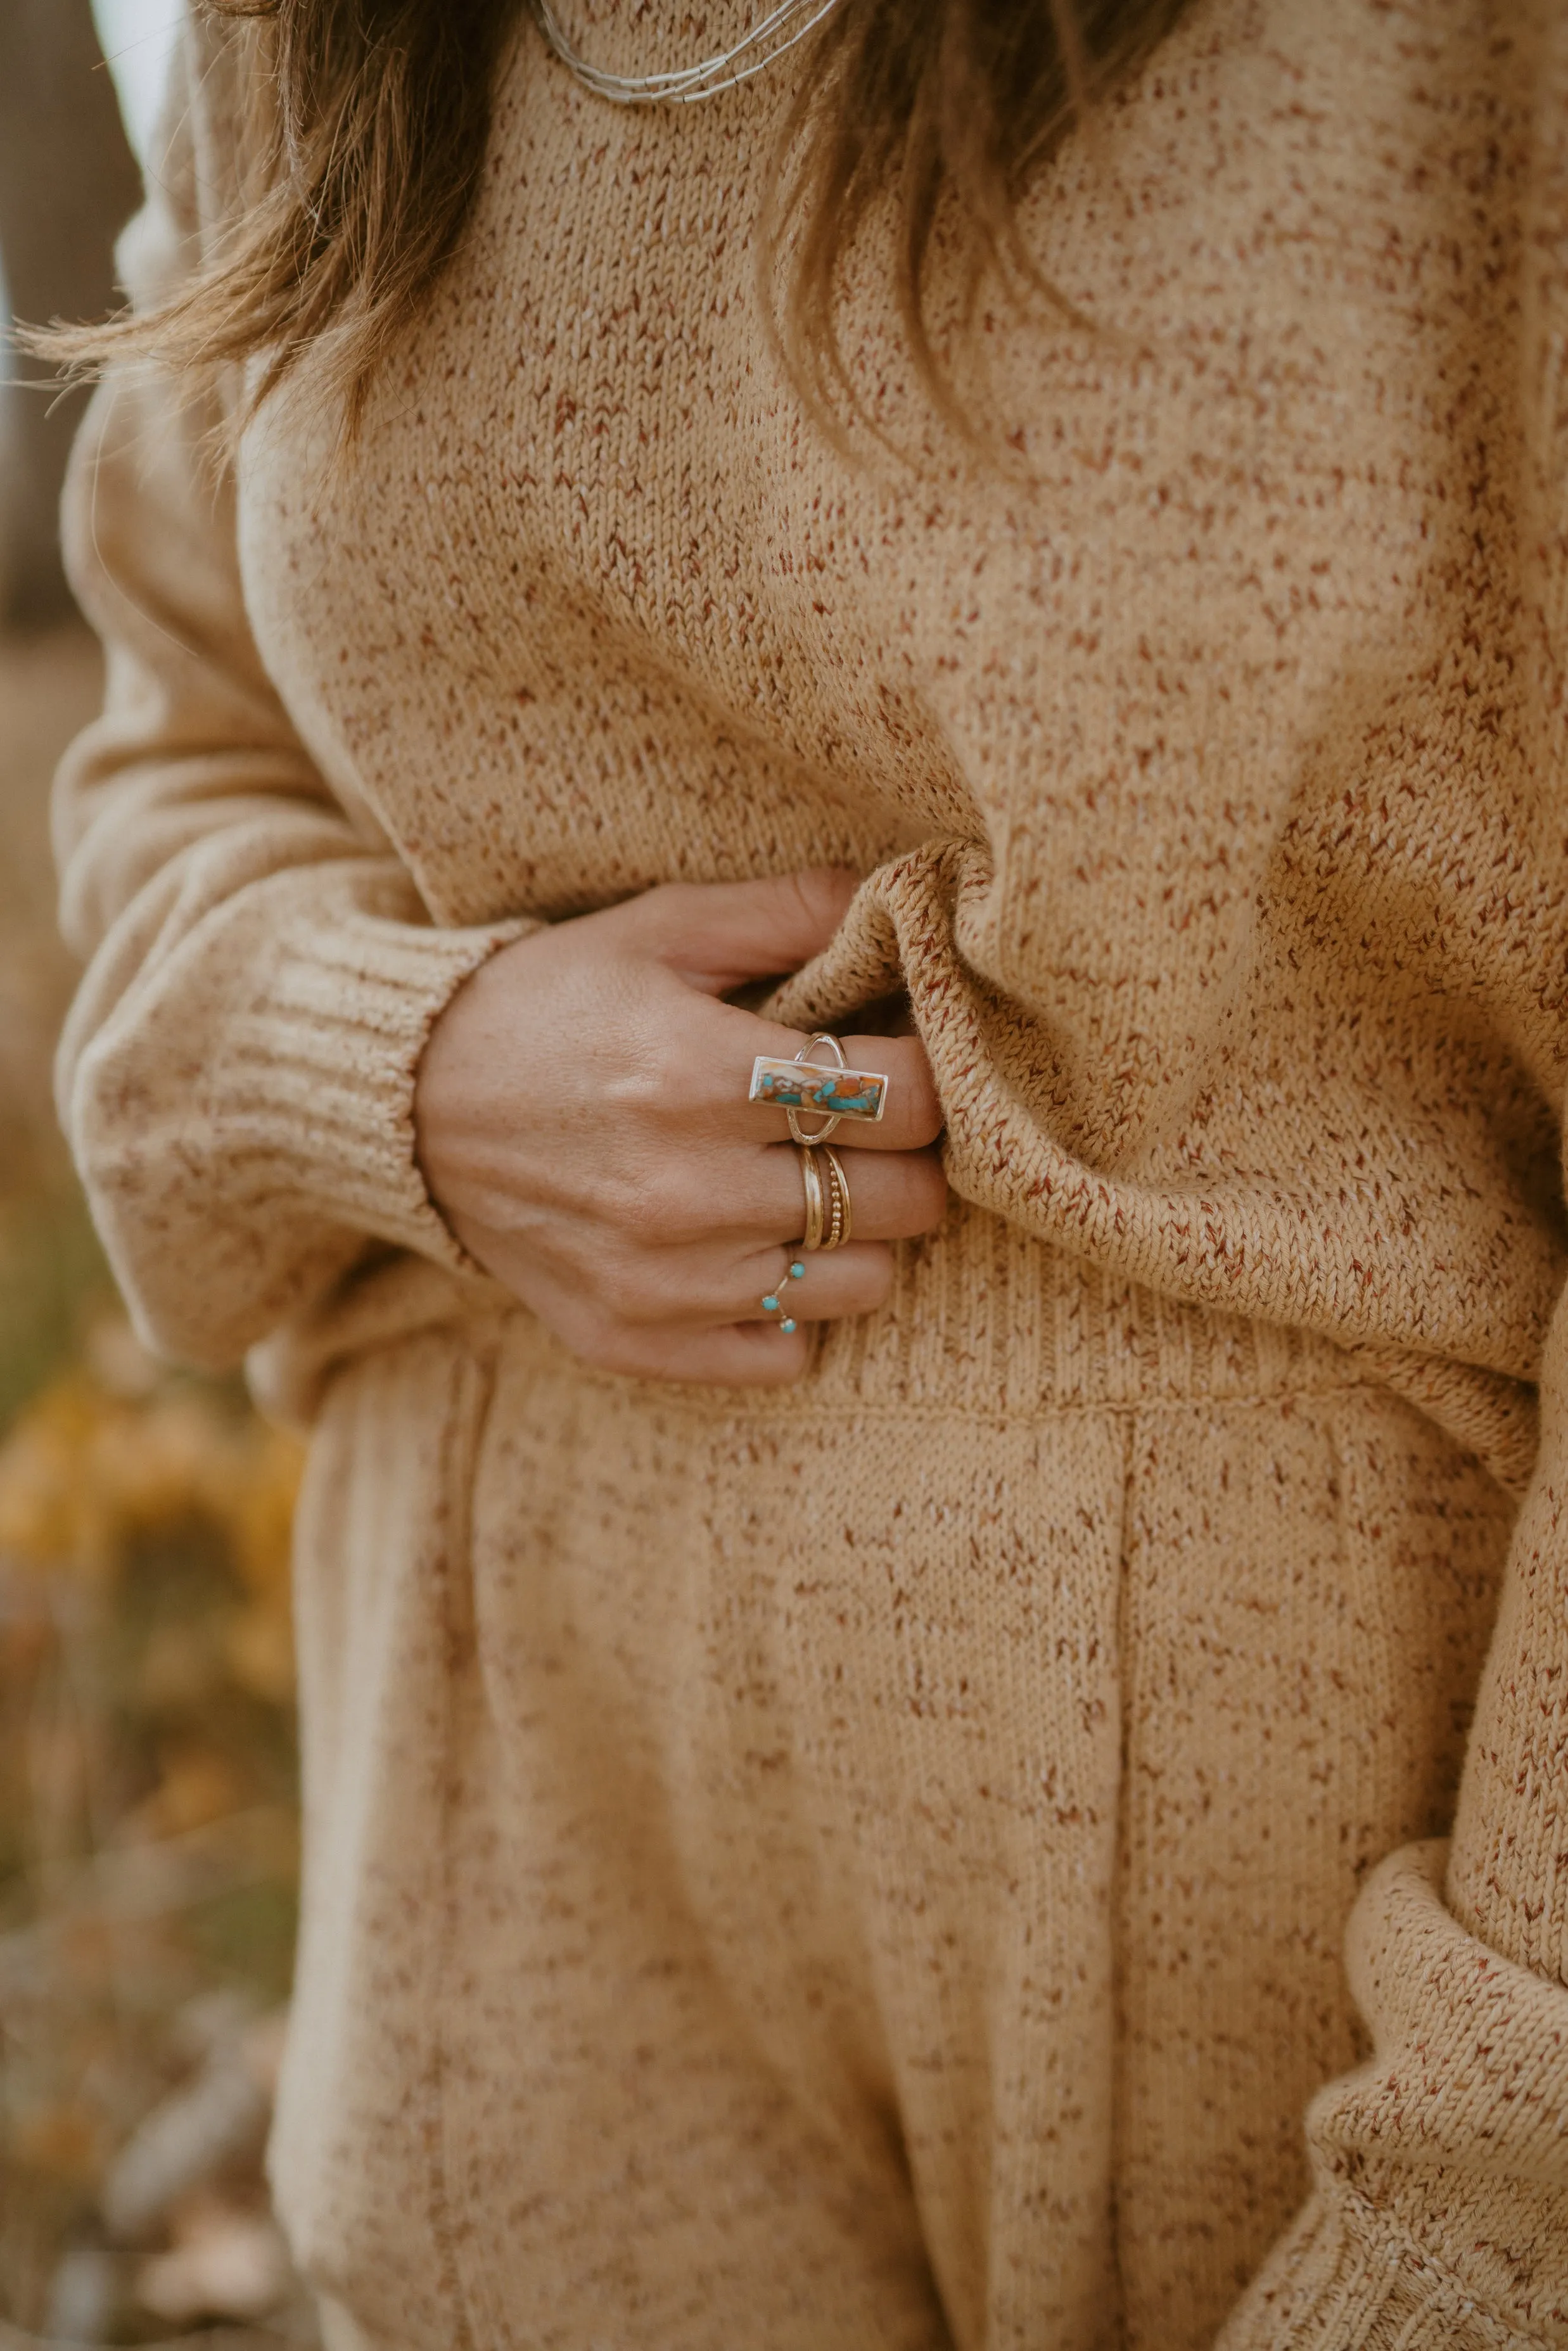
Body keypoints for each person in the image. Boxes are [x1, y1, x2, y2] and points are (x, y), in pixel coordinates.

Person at [46, 0, 1568, 2343]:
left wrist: (1486, 2205)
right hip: (511, 1984)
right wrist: (401, 1063)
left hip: (1307, 2026)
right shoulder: (301, 34)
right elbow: (173, 754)